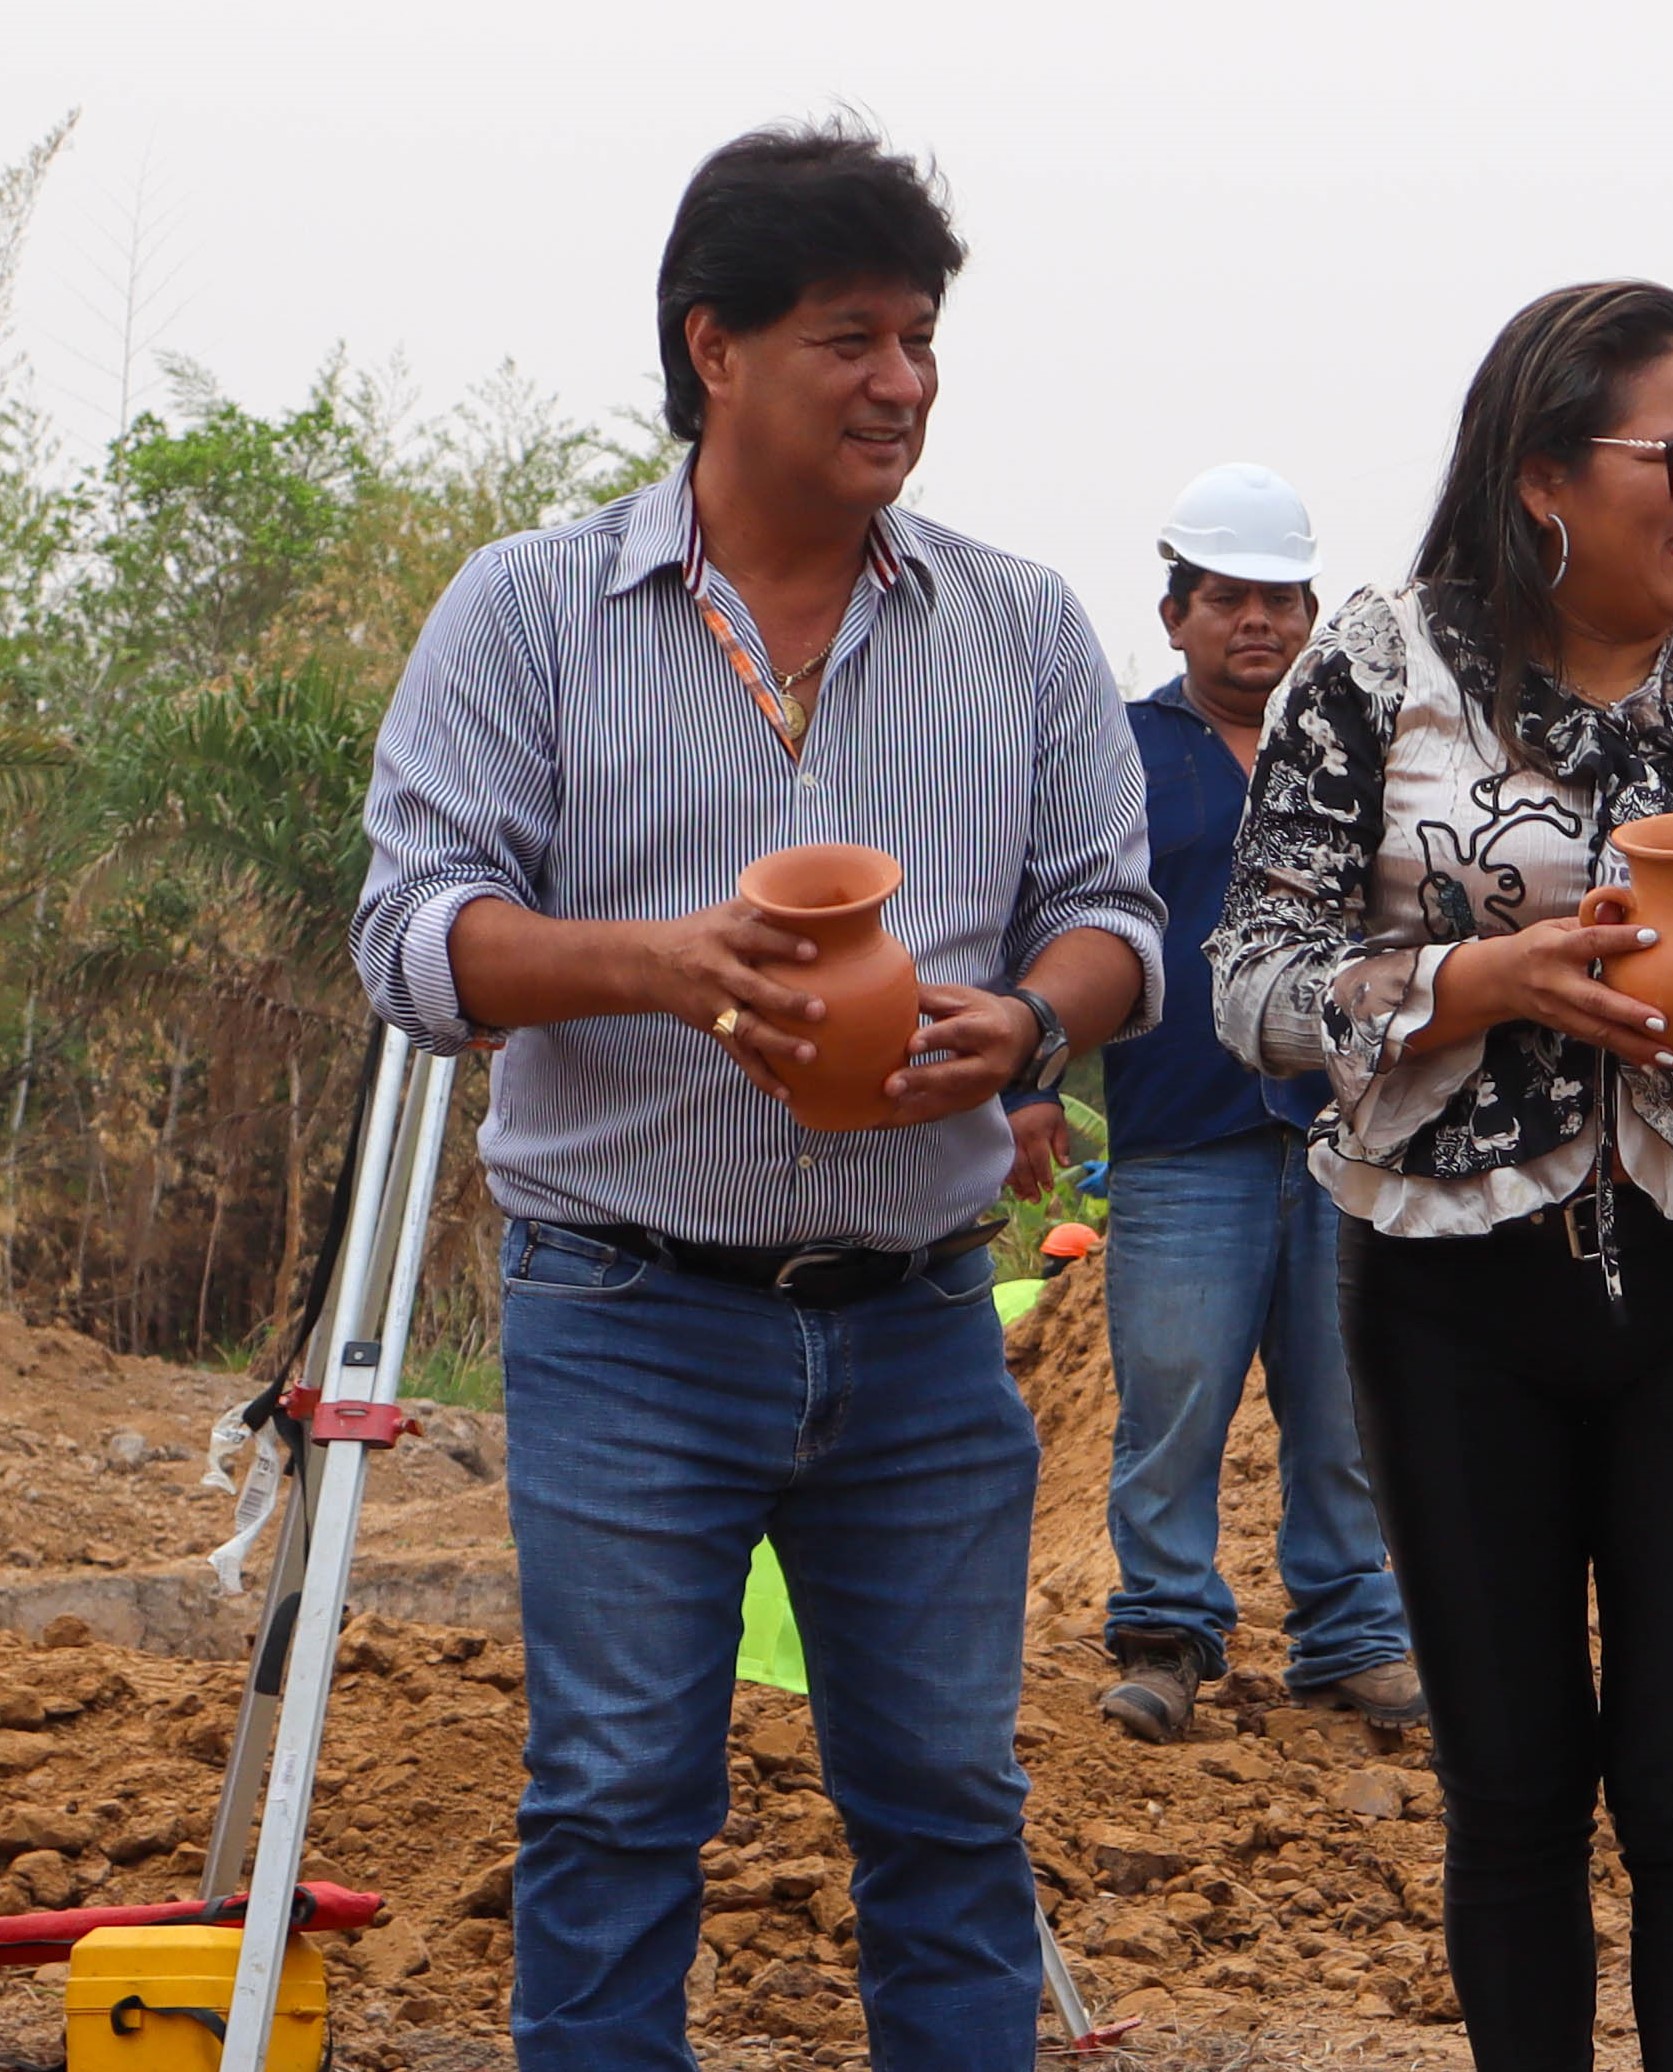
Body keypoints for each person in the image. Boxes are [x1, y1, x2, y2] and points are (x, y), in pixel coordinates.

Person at [350, 124, 1165, 2067]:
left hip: (915, 1321)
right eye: (848, 339)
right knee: (620, 1803)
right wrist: (663, 962)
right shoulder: (532, 614)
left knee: (950, 1808)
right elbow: (410, 931)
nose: (900, 383)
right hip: (624, 1316)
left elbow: (1114, 926)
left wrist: (1028, 1029)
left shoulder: (1023, 627)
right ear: (712, 349)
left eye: (920, 337)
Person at [1213, 280, 1673, 2072]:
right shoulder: (1380, 664)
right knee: (1517, 1793)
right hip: (1453, 1296)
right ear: (1545, 472)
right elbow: (1249, 972)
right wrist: (1474, 980)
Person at [1006, 462, 1422, 1744]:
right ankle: (1166, 1633)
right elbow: (1043, 903)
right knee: (1174, 1393)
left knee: (1347, 1403)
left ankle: (1351, 1634)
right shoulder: (1122, 753)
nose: (1263, 623)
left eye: (1283, 599)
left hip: (1349, 1128)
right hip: (1181, 1130)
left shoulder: (1365, 751)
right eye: (1231, 598)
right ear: (1178, 611)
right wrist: (1027, 1082)